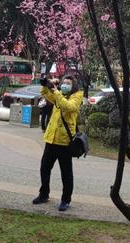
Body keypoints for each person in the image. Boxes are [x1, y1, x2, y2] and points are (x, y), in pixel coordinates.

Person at [32, 75, 82, 212]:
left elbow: (68, 107)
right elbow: (46, 94)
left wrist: (57, 91)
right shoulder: (58, 95)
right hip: (52, 139)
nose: (65, 85)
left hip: (65, 142)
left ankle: (66, 200)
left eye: (68, 83)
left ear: (74, 86)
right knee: (44, 168)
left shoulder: (77, 96)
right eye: (63, 83)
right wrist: (45, 84)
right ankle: (43, 195)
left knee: (66, 173)